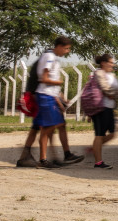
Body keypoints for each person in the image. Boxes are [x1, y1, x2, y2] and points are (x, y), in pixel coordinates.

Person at [27, 36, 84, 169]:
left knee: (60, 125)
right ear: (59, 46)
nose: (67, 51)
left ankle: (66, 154)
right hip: (46, 96)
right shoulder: (49, 57)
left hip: (50, 96)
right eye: (66, 48)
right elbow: (44, 78)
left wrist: (60, 96)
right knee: (48, 128)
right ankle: (43, 160)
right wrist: (58, 82)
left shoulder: (51, 57)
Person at [89, 53, 118, 169]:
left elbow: (117, 91)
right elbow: (105, 89)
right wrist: (114, 93)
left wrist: (115, 93)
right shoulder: (99, 73)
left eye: (113, 63)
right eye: (110, 62)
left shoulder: (110, 75)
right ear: (103, 63)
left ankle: (94, 148)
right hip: (100, 108)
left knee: (112, 133)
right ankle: (98, 162)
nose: (112, 65)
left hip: (109, 107)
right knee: (99, 134)